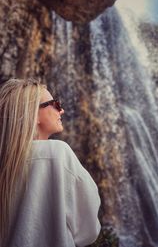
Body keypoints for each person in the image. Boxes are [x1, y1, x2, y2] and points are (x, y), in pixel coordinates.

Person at [0, 78, 101, 247]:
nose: (62, 110)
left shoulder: (5, 161)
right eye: (55, 104)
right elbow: (88, 229)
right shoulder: (57, 154)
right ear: (33, 114)